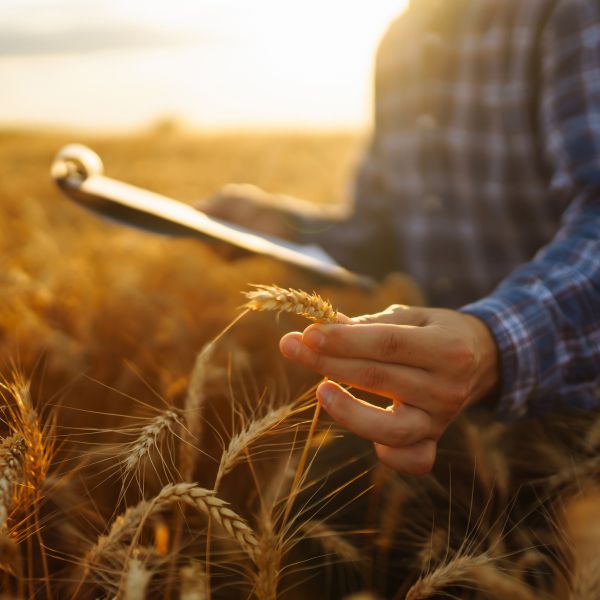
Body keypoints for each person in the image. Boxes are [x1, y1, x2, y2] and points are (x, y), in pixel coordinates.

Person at [200, 0, 600, 474]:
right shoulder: (401, 39)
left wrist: (492, 341)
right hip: (444, 415)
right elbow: (382, 230)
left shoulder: (569, 12)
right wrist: (283, 225)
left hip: (576, 411)